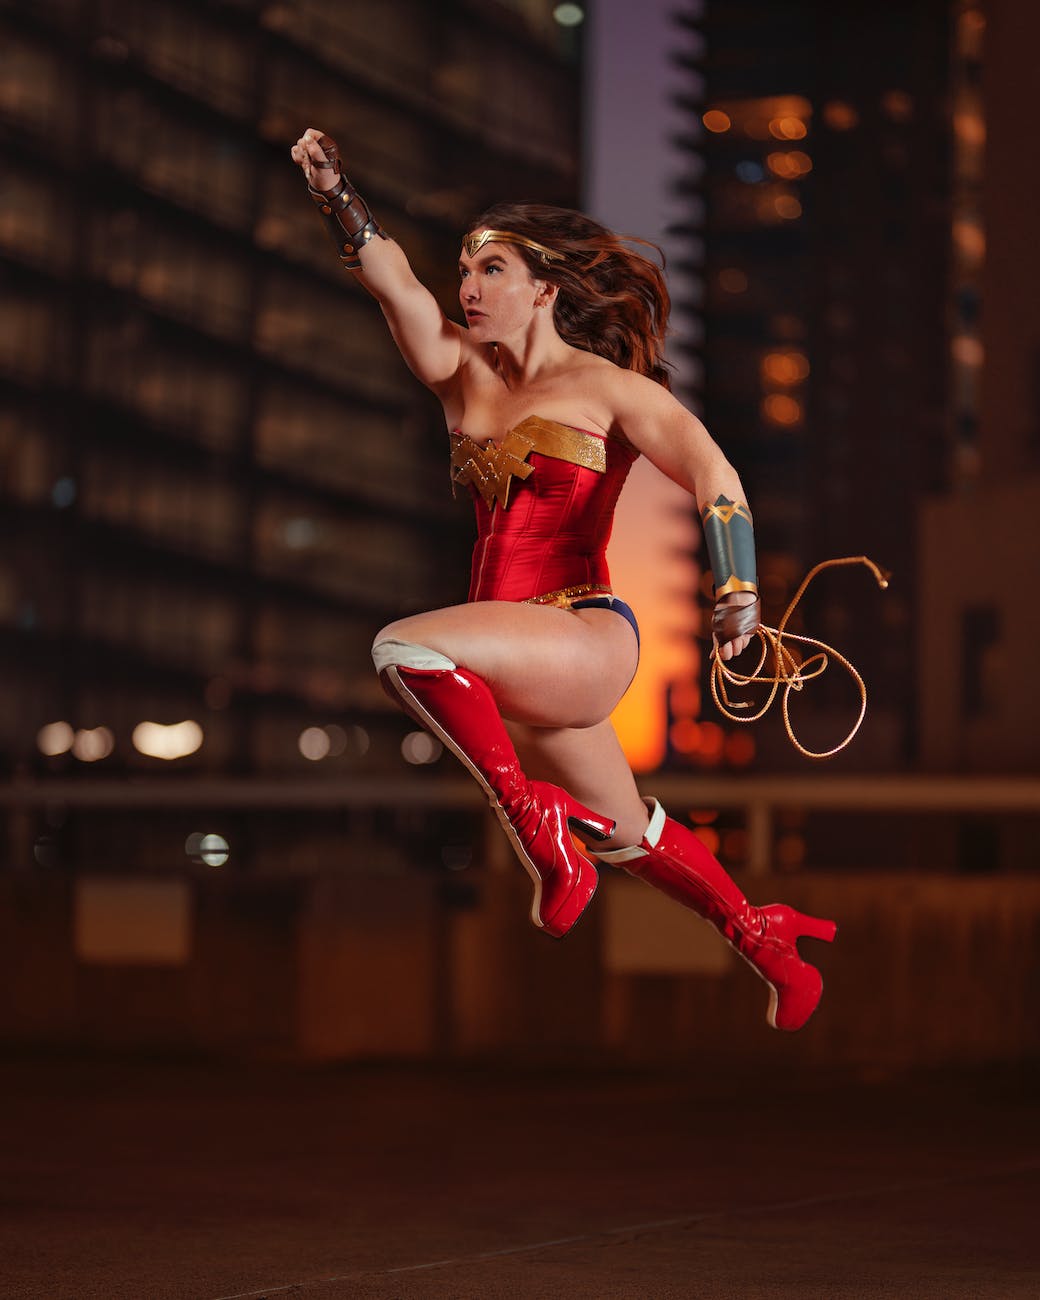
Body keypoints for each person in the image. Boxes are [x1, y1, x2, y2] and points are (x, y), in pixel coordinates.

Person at [290, 129, 837, 1032]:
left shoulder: (610, 390)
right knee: (628, 835)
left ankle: (535, 822)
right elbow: (393, 283)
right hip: (516, 662)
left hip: (582, 634)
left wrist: (738, 592)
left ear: (544, 289)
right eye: (465, 270)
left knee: (402, 648)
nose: (468, 287)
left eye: (491, 269)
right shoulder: (459, 374)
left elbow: (714, 472)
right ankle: (765, 938)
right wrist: (334, 191)